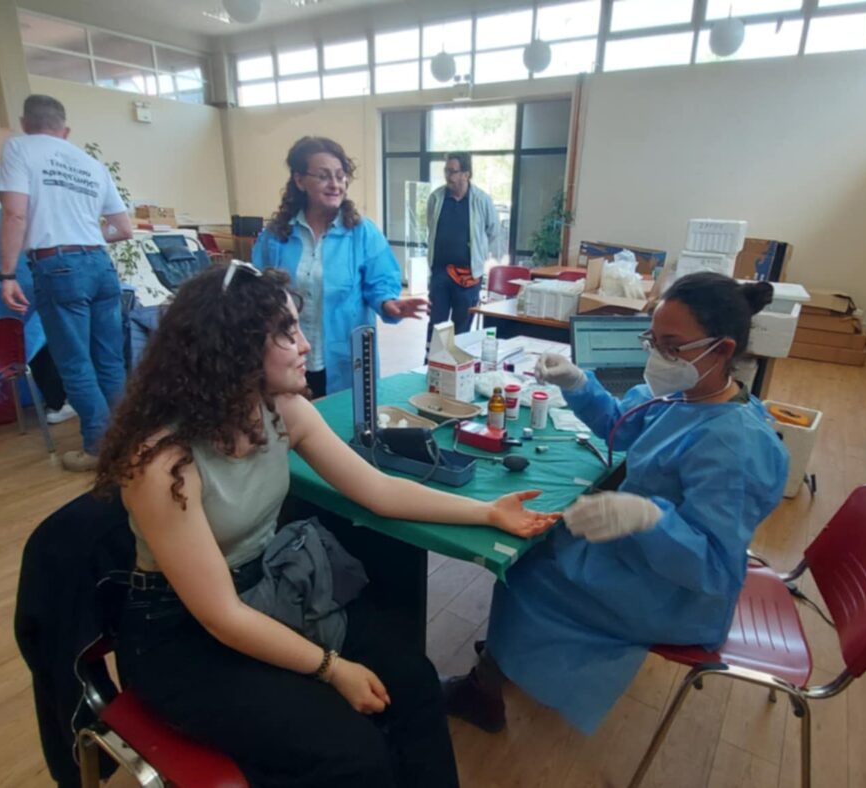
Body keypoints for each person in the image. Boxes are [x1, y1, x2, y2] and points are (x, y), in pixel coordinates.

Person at [93, 261, 561, 786]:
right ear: (234, 347)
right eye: (286, 332)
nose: (305, 345)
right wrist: (332, 668)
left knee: (413, 680)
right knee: (351, 751)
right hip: (180, 635)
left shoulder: (279, 411)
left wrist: (488, 511)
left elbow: (379, 491)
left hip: (266, 592)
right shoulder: (163, 463)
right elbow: (221, 617)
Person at [443, 272, 790, 735]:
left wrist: (651, 518)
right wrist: (577, 383)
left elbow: (714, 568)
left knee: (525, 569)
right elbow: (621, 426)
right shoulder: (686, 395)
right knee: (540, 542)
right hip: (649, 555)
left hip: (681, 595)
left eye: (672, 346)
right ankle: (509, 653)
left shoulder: (734, 444)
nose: (657, 357)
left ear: (722, 349)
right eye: (653, 341)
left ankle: (485, 690)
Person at [0, 94, 132, 472]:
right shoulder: (91, 164)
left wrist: (7, 274)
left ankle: (99, 448)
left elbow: (14, 214)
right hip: (100, 264)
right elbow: (123, 229)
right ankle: (128, 442)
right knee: (109, 360)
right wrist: (85, 238)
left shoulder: (19, 148)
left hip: (56, 265)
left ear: (25, 123)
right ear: (66, 130)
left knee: (75, 362)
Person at [254, 137, 427, 397]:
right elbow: (257, 290)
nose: (335, 184)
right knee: (291, 417)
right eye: (323, 176)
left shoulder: (362, 232)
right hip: (289, 354)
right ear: (300, 181)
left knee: (342, 416)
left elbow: (381, 281)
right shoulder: (277, 235)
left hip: (345, 356)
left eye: (340, 176)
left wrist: (388, 303)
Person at [0, 210, 73, 424]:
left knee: (25, 346)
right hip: (31, 289)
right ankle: (60, 402)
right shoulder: (36, 216)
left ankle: (52, 401)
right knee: (48, 345)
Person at [424, 152, 501, 338]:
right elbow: (431, 227)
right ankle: (432, 357)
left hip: (469, 276)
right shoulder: (436, 198)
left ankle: (457, 358)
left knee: (462, 329)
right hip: (440, 274)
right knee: (436, 326)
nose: (448, 176)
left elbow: (494, 232)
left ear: (466, 174)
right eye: (446, 170)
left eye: (452, 171)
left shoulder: (482, 200)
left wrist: (483, 258)